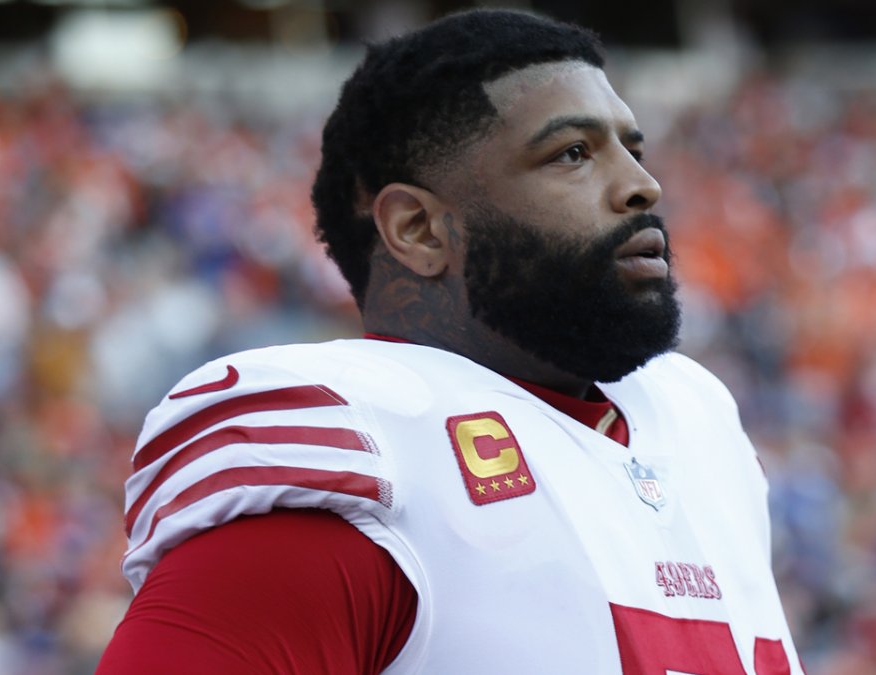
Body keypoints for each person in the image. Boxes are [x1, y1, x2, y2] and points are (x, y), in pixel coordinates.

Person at [98, 9, 801, 674]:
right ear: (419, 229)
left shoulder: (693, 419)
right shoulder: (364, 448)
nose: (642, 186)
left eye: (633, 148)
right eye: (573, 153)